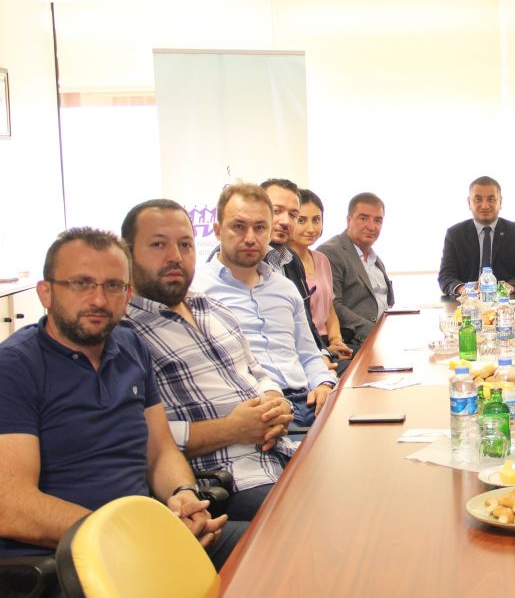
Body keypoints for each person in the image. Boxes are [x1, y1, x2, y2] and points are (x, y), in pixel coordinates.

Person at [0, 228, 241, 568]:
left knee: (279, 548)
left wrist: (184, 494)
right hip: (72, 558)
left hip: (147, 537)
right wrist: (126, 534)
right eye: (81, 284)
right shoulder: (14, 367)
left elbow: (160, 451)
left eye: (113, 286)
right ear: (46, 292)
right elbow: (12, 507)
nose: (99, 300)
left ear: (128, 295)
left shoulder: (131, 346)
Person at [121, 200, 297, 520]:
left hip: (284, 453)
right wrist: (231, 429)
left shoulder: (213, 308)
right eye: (158, 244)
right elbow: (141, 440)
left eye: (185, 244)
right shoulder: (123, 335)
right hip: (229, 483)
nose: (175, 256)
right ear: (127, 253)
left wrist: (276, 403)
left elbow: (257, 372)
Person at [192, 183, 336, 427]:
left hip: (308, 401)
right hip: (254, 408)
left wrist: (324, 383)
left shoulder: (285, 287)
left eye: (260, 228)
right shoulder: (196, 291)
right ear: (217, 230)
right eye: (239, 226)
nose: (250, 238)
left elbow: (309, 354)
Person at [317, 192, 394, 350]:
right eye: (363, 218)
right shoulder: (331, 252)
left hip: (384, 337)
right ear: (349, 220)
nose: (371, 227)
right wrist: (375, 333)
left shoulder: (375, 259)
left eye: (378, 220)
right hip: (354, 342)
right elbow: (332, 306)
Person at [438, 176, 515, 296]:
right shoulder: (454, 234)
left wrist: (508, 288)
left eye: (491, 199)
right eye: (478, 199)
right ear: (469, 202)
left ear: (500, 202)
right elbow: (446, 276)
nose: (485, 205)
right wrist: (464, 290)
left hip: (506, 300)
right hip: (467, 302)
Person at [289, 188, 350, 359]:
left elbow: (329, 309)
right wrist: (325, 351)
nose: (311, 228)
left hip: (326, 342)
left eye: (316, 220)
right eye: (301, 220)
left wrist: (336, 340)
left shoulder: (322, 259)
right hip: (304, 347)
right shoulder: (283, 263)